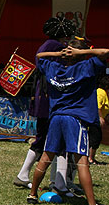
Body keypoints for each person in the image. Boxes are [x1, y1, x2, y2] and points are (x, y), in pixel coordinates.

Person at [27, 40, 109, 205]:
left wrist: (58, 54)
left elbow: (39, 56)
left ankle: (32, 194)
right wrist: (81, 53)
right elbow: (105, 52)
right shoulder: (86, 67)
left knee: (46, 157)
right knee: (82, 161)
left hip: (56, 118)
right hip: (75, 119)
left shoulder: (53, 69)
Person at [14, 17, 75, 188]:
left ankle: (25, 174)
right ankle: (59, 182)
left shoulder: (47, 45)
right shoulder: (56, 47)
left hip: (43, 98)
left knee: (43, 138)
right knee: (57, 140)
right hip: (51, 99)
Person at [88, 75, 109, 165]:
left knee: (96, 138)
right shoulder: (100, 92)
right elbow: (98, 106)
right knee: (95, 138)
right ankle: (90, 158)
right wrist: (101, 117)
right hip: (94, 119)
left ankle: (91, 158)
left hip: (96, 118)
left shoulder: (102, 92)